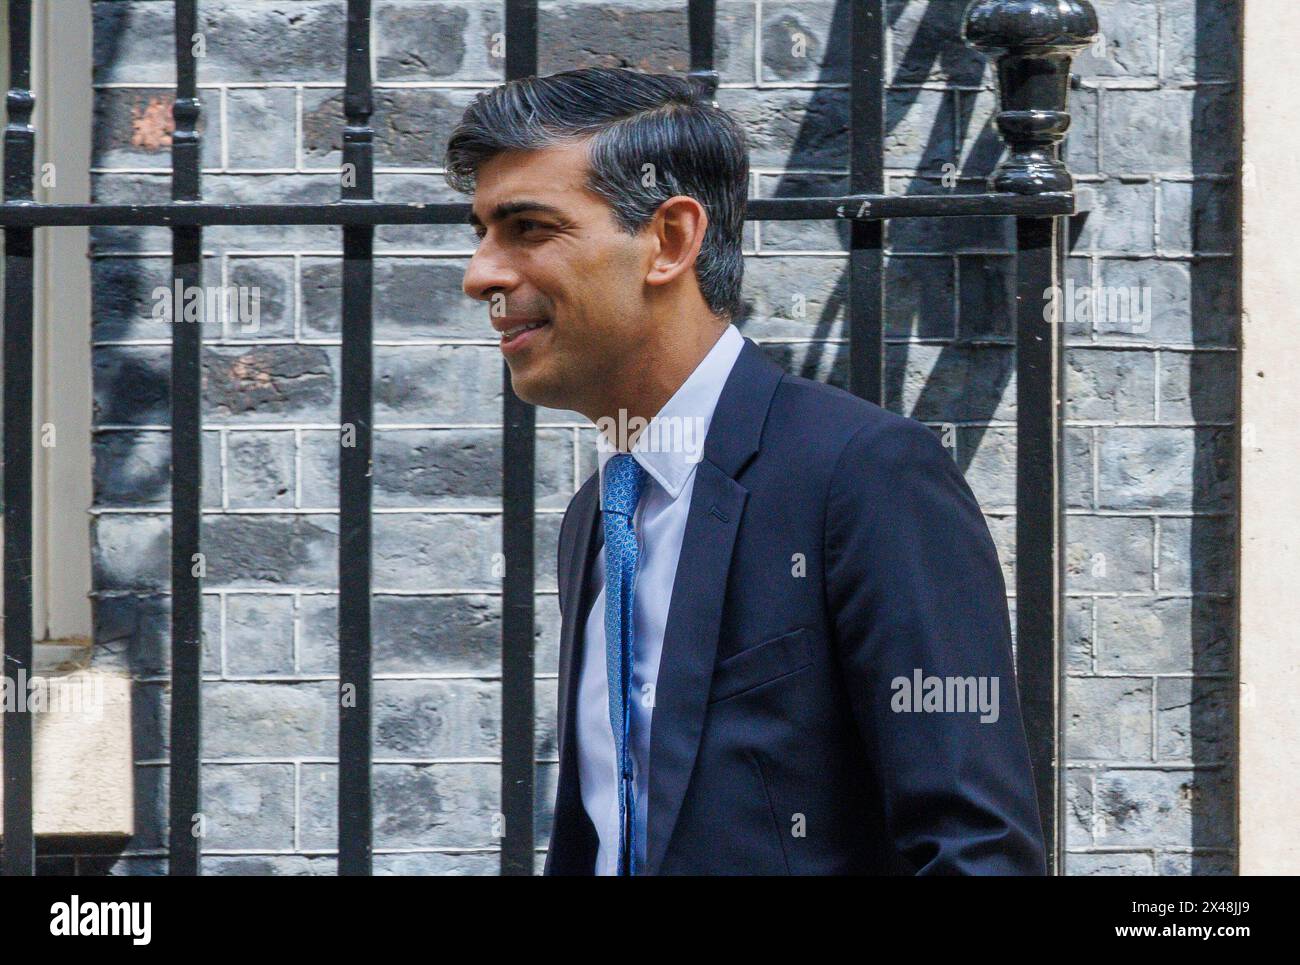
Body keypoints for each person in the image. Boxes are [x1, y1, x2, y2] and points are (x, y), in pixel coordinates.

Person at [447, 66, 1046, 875]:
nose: (480, 273)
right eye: (483, 231)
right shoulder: (599, 514)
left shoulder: (865, 474)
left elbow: (975, 851)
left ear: (669, 240)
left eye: (527, 228)